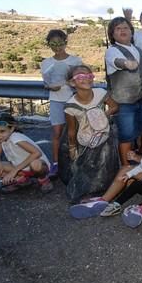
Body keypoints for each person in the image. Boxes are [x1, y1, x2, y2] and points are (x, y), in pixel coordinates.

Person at [105, 17, 142, 165]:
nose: (123, 30)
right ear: (113, 34)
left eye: (125, 28)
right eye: (118, 29)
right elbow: (117, 61)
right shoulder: (112, 51)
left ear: (131, 32)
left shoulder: (137, 50)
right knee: (126, 136)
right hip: (124, 103)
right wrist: (126, 63)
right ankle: (126, 168)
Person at [63, 65, 119, 203]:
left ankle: (103, 189)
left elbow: (115, 106)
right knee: (88, 166)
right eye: (80, 77)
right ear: (72, 82)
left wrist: (102, 115)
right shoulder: (70, 106)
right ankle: (87, 192)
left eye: (89, 76)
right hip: (85, 139)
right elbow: (71, 130)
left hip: (104, 135)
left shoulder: (100, 93)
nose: (86, 79)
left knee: (105, 162)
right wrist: (72, 148)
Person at [40, 29, 82, 177]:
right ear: (49, 45)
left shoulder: (75, 61)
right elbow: (45, 82)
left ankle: (76, 161)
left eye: (60, 43)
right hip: (56, 99)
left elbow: (81, 79)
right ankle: (56, 163)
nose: (57, 47)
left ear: (65, 42)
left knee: (74, 132)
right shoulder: (46, 63)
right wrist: (50, 86)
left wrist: (73, 83)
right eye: (53, 44)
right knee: (57, 132)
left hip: (73, 99)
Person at [0, 113, 53, 193]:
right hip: (20, 169)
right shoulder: (1, 139)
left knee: (35, 163)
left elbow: (37, 153)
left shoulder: (16, 137)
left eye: (2, 131)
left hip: (36, 166)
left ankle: (43, 179)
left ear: (11, 129)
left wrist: (14, 171)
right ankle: (21, 180)